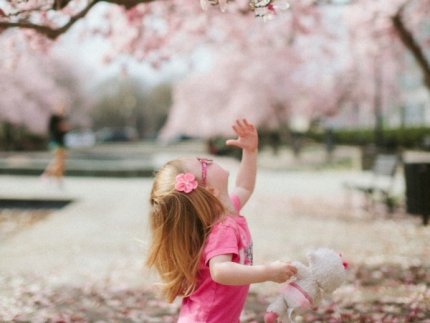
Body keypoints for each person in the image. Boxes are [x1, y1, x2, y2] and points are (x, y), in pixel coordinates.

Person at [146, 119, 297, 322]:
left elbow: (244, 186)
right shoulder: (222, 228)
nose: (209, 159)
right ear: (210, 190)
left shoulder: (228, 211)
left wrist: (250, 152)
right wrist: (268, 272)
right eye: (204, 163)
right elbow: (220, 271)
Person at [41, 104, 69, 184]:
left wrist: (65, 129)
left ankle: (57, 178)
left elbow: (65, 131)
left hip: (62, 143)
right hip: (55, 142)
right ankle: (46, 175)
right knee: (58, 161)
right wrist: (60, 127)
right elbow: (51, 129)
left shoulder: (63, 118)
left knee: (61, 162)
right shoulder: (54, 118)